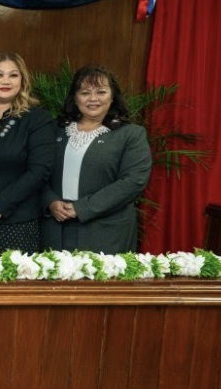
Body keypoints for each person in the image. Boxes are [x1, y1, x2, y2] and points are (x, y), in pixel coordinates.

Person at [42, 65, 152, 253]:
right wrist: (50, 201)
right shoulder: (54, 130)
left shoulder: (131, 134)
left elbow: (133, 181)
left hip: (106, 233)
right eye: (85, 93)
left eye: (101, 92)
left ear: (112, 96)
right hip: (55, 229)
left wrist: (81, 208)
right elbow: (37, 171)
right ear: (75, 98)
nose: (93, 99)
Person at [0, 53, 55, 255]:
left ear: (23, 81)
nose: (5, 81)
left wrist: (0, 205)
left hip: (16, 223)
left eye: (13, 75)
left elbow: (40, 170)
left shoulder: (37, 119)